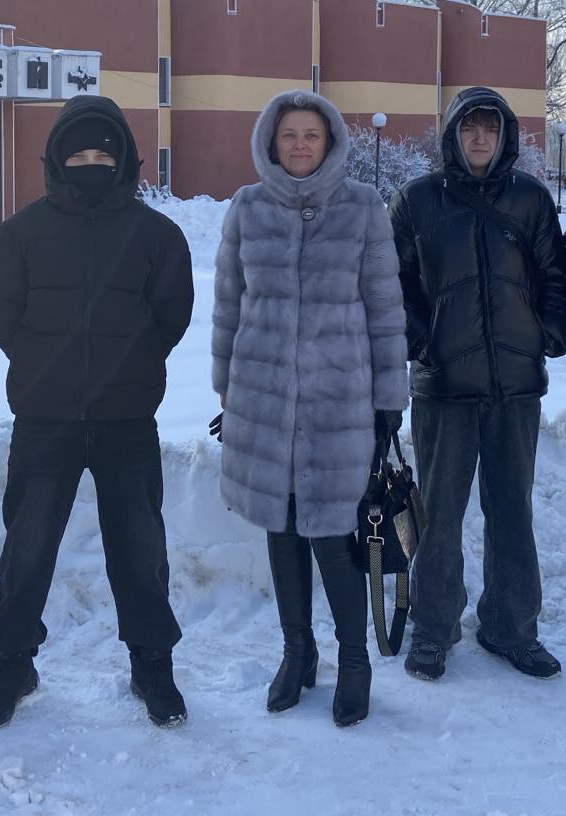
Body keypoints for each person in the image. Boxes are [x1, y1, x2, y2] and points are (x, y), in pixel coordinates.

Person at [0, 95, 195, 730]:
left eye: (104, 153)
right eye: (78, 154)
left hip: (127, 419)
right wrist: (45, 365)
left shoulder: (158, 236)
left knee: (140, 549)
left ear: (124, 160)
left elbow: (171, 317)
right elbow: (6, 316)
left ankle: (151, 663)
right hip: (45, 419)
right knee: (27, 547)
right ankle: (11, 664)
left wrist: (132, 362)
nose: (91, 163)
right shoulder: (20, 234)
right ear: (56, 160)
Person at [213, 90, 408, 727]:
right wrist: (226, 386)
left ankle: (355, 662)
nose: (300, 145)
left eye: (312, 135)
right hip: (263, 400)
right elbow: (229, 303)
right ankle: (297, 653)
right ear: (272, 142)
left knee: (332, 534)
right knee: (281, 527)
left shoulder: (363, 207)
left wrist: (389, 399)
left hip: (338, 404)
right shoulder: (247, 208)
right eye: (289, 135)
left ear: (330, 143)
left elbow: (385, 308)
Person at [388, 87, 566, 684]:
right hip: (444, 386)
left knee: (512, 509)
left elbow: (556, 275)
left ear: (505, 137)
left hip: (515, 385)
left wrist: (547, 334)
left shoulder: (531, 199)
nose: (480, 139)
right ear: (452, 135)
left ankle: (511, 627)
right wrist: (422, 344)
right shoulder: (417, 201)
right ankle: (433, 629)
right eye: (469, 128)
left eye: (490, 129)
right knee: (440, 515)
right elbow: (391, 284)